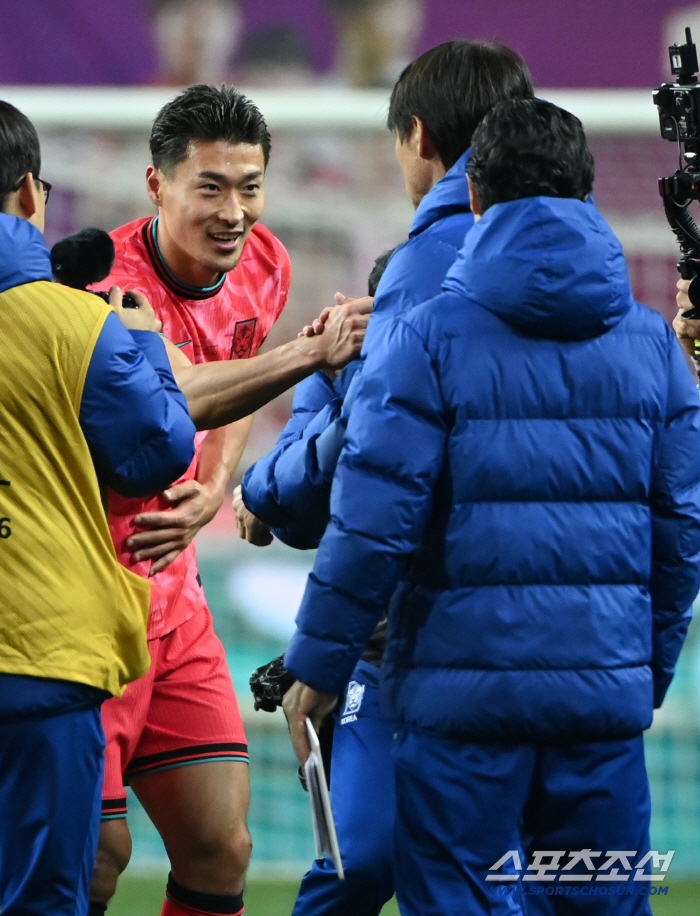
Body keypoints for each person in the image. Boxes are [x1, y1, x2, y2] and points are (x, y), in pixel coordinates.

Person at [282, 97, 700, 916]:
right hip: (598, 714)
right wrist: (638, 676)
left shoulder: (424, 339)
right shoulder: (654, 346)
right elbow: (681, 530)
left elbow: (372, 529)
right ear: (588, 196)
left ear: (472, 196)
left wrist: (319, 665)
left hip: (458, 709)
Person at [236, 40, 534, 916]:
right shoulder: (605, 293)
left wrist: (263, 491)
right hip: (557, 637)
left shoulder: (427, 266)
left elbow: (376, 464)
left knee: (401, 863)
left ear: (417, 138)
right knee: (459, 869)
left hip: (431, 630)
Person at [87, 83, 370, 916]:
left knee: (222, 849)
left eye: (249, 186)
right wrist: (311, 354)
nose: (233, 210)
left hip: (175, 607)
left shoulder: (267, 265)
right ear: (156, 186)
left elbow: (231, 398)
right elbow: (180, 389)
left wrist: (215, 483)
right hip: (89, 601)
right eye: (209, 186)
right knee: (96, 858)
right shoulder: (106, 283)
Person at [0, 101, 196, 916]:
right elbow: (158, 452)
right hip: (40, 652)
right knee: (45, 897)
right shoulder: (74, 323)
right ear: (30, 196)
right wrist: (145, 344)